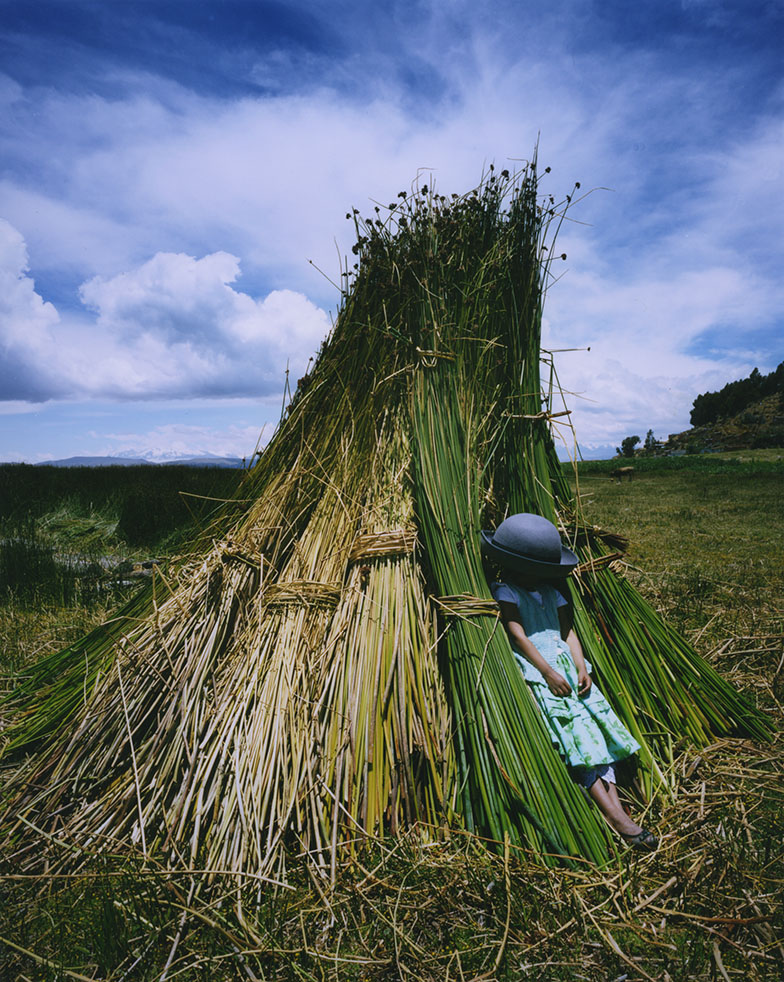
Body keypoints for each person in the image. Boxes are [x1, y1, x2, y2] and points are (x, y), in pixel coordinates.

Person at [481, 512, 658, 852]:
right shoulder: (506, 591)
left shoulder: (553, 592)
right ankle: (618, 819)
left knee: (596, 737)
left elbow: (569, 633)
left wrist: (581, 666)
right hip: (541, 673)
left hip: (569, 672)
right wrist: (547, 673)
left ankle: (617, 809)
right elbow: (518, 637)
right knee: (574, 741)